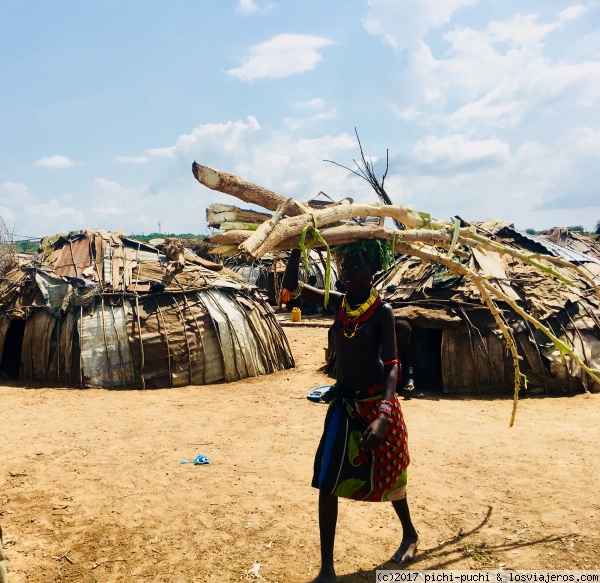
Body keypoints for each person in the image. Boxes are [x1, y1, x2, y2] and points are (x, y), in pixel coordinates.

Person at [282, 240, 418, 583]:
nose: (346, 271)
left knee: (391, 478)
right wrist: (298, 246)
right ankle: (327, 569)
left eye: (355, 267)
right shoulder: (339, 304)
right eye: (344, 266)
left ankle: (410, 534)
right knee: (327, 479)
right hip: (343, 404)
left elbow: (391, 364)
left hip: (376, 406)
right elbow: (291, 289)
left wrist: (385, 414)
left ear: (372, 273)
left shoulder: (382, 312)